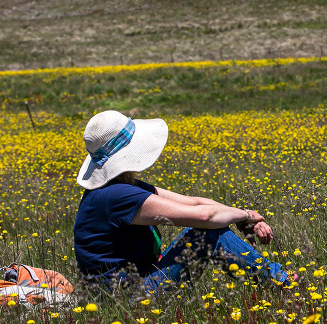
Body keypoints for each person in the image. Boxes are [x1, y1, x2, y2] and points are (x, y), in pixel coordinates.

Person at [73, 110, 292, 297]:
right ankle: (284, 284)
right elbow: (206, 217)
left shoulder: (120, 187)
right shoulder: (116, 195)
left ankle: (278, 281)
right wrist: (245, 216)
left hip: (129, 288)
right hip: (127, 297)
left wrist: (244, 219)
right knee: (206, 234)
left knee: (207, 230)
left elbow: (196, 203)